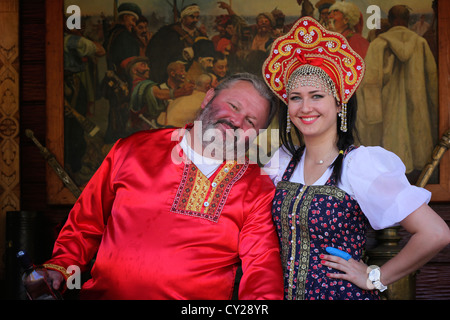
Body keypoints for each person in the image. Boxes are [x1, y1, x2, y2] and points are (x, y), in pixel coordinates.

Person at [34, 73, 283, 300]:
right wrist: (61, 268)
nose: (236, 121)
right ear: (208, 98)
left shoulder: (256, 188)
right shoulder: (131, 150)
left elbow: (262, 270)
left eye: (250, 121)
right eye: (233, 105)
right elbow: (85, 224)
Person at [262, 17, 450, 300]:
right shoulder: (283, 160)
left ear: (339, 104)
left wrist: (375, 277)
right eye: (295, 98)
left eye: (316, 96)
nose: (305, 107)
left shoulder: (359, 165)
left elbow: (436, 233)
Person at [356, 5, 438, 176]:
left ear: (391, 21)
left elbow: (369, 85)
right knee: (418, 170)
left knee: (388, 169)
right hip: (418, 117)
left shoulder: (378, 45)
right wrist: (434, 113)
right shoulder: (421, 44)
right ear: (408, 21)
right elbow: (433, 85)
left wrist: (372, 124)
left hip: (386, 119)